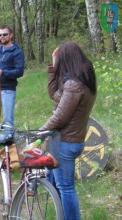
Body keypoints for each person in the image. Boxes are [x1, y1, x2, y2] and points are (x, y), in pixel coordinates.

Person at [40, 42, 97, 220]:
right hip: (73, 140)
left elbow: (60, 117)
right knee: (56, 182)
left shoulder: (73, 85)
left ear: (67, 60)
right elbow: (55, 95)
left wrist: (40, 132)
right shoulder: (83, 82)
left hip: (66, 142)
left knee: (66, 187)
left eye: (60, 60)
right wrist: (53, 65)